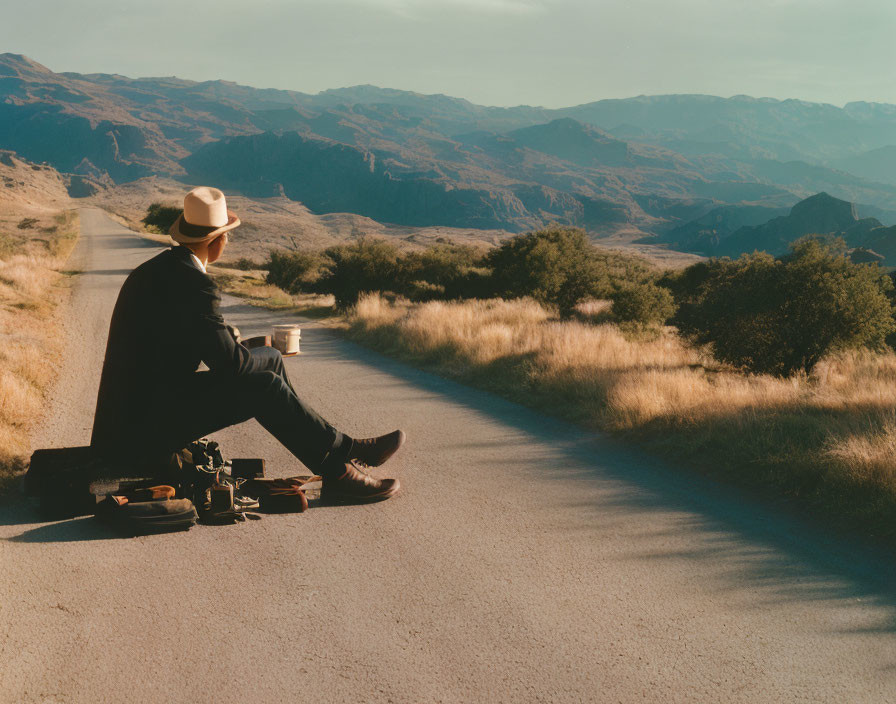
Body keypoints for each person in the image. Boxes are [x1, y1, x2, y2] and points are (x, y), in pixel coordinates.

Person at [90, 186, 403, 503]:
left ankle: (338, 457)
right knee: (264, 386)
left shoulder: (155, 271)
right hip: (145, 431)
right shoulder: (195, 283)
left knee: (270, 358)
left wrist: (259, 348)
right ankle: (340, 463)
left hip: (134, 415)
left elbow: (198, 346)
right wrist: (244, 350)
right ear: (219, 241)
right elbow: (230, 364)